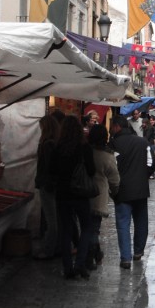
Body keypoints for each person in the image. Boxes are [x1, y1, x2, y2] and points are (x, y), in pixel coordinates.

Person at [49, 115, 95, 279]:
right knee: (86, 227)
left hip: (62, 194)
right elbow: (91, 170)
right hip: (80, 193)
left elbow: (52, 171)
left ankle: (68, 267)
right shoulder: (84, 147)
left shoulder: (57, 147)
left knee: (66, 230)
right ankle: (80, 264)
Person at [109, 115, 150, 269]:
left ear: (116, 127)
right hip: (140, 188)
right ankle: (138, 251)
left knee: (123, 223)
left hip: (122, 189)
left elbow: (111, 166)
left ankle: (125, 258)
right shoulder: (142, 142)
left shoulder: (114, 144)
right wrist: (143, 175)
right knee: (141, 221)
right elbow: (151, 162)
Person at [87, 124, 120, 270]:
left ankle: (94, 254)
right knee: (93, 228)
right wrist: (115, 192)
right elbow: (115, 179)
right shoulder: (107, 156)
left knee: (85, 227)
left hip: (81, 193)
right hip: (98, 195)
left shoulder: (84, 151)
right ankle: (90, 257)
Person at [34, 114, 61, 259]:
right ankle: (55, 247)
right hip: (53, 185)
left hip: (48, 186)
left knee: (52, 220)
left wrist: (43, 182)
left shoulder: (47, 145)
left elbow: (48, 168)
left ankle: (49, 250)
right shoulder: (56, 143)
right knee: (55, 218)